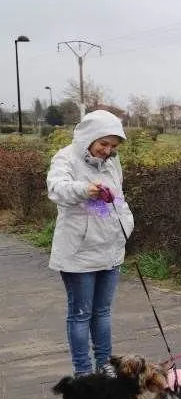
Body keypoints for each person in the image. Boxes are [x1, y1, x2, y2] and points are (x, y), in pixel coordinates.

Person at [47, 110, 133, 378]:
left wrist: (126, 227)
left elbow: (118, 200)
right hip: (78, 253)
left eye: (113, 146)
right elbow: (56, 189)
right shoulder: (66, 157)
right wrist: (86, 189)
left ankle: (105, 365)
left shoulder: (112, 163)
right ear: (89, 137)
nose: (107, 151)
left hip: (110, 249)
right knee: (81, 314)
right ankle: (83, 372)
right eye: (103, 144)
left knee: (103, 312)